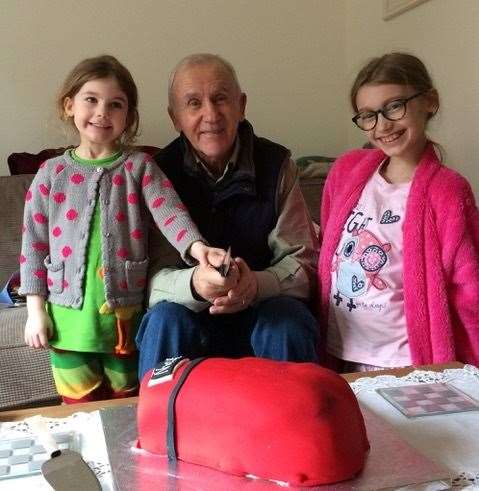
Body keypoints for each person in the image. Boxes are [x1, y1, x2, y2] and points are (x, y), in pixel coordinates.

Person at [19, 55, 225, 403]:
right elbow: (34, 247)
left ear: (128, 116)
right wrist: (35, 313)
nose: (102, 112)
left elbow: (170, 212)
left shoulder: (140, 167)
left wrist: (197, 248)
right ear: (69, 105)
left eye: (116, 105)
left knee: (127, 408)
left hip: (124, 320)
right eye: (91, 100)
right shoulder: (50, 174)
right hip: (68, 324)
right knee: (79, 408)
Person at [136, 54, 319, 379]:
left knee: (288, 320)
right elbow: (148, 280)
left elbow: (303, 264)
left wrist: (254, 286)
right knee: (164, 320)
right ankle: (159, 427)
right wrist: (194, 285)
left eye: (220, 98)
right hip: (190, 314)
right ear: (175, 117)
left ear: (241, 105)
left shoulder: (277, 165)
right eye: (193, 103)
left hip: (262, 310)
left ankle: (292, 426)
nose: (211, 114)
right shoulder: (155, 174)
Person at [318, 52, 479, 372]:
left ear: (429, 102)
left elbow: (469, 288)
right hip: (341, 350)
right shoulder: (346, 171)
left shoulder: (448, 191)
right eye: (368, 115)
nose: (382, 125)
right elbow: (327, 246)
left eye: (394, 106)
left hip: (405, 361)